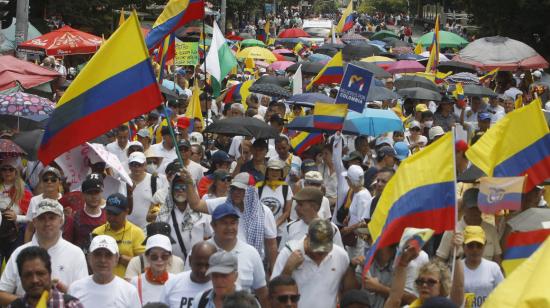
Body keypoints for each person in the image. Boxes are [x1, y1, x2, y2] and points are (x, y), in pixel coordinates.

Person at [0, 199, 88, 305]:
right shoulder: (19, 253)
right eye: (42, 218)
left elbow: (84, 296)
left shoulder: (76, 254)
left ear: (61, 221)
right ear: (35, 222)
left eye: (52, 218)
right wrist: (29, 304)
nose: (47, 223)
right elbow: (2, 293)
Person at [187, 171, 277, 273]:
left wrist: (274, 271)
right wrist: (189, 183)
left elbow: (271, 245)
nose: (236, 193)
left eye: (241, 190)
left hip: (252, 265)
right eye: (234, 189)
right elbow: (196, 205)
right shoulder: (223, 204)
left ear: (251, 191)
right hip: (223, 265)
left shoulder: (264, 212)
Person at [272, 219, 354, 308]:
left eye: (324, 251)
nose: (320, 254)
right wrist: (288, 268)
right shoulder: (288, 253)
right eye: (317, 250)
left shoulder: (341, 255)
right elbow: (273, 292)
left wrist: (352, 267)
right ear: (307, 237)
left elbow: (347, 290)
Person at [384, 239, 464, 308]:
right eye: (420, 281)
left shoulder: (448, 305)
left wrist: (456, 256)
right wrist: (402, 264)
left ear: (442, 285)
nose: (424, 285)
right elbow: (394, 301)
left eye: (431, 282)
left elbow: (459, 289)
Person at [67, 235, 141, 307]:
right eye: (97, 254)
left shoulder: (129, 292)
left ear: (116, 259)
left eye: (108, 255)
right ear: (89, 257)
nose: (103, 260)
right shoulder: (75, 289)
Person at [155, 173, 213, 260]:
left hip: (196, 264)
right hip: (171, 264)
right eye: (177, 188)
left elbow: (210, 235)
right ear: (171, 190)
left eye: (184, 188)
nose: (180, 191)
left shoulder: (201, 214)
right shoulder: (163, 214)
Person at [436, 188, 502, 264]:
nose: (474, 211)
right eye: (471, 208)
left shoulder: (491, 230)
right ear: (464, 207)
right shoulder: (452, 230)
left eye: (477, 207)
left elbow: (497, 259)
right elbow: (440, 260)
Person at [8, 246, 83, 308]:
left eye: (40, 273)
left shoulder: (72, 305)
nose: (35, 280)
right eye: (28, 275)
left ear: (50, 274)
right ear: (21, 278)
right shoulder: (13, 306)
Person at [92, 193, 145, 277]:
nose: (111, 217)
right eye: (109, 213)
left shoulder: (136, 233)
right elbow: (91, 262)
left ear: (126, 212)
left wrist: (119, 258)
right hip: (102, 283)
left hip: (128, 285)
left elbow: (144, 264)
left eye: (116, 214)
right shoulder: (97, 232)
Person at [160, 242, 217, 308]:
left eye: (208, 265)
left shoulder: (223, 286)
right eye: (198, 264)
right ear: (190, 261)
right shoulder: (172, 283)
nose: (203, 270)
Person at [461, 226, 503, 308]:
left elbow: (502, 295)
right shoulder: (456, 269)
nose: (475, 249)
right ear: (463, 246)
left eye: (479, 245)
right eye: (470, 245)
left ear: (485, 245)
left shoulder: (493, 268)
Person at [0, 158, 32, 265]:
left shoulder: (24, 189)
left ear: (16, 171)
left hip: (16, 234)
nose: (7, 172)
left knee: (14, 266)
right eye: (4, 169)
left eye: (11, 169)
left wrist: (16, 217)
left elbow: (31, 216)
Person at [126, 151, 169, 229]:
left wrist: (152, 215)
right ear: (129, 166)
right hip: (126, 229)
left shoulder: (155, 181)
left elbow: (158, 202)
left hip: (147, 229)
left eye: (140, 165)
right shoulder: (123, 181)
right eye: (133, 165)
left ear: (145, 165)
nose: (137, 168)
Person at [130, 234, 175, 305]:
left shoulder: (175, 281)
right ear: (147, 257)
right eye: (154, 256)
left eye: (164, 256)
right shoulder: (135, 282)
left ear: (170, 257)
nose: (159, 260)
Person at [66, 174, 106, 251]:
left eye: (97, 192)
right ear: (83, 195)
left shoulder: (108, 218)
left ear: (101, 193)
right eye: (90, 193)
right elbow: (68, 244)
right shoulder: (75, 218)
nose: (94, 196)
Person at [24, 167, 63, 242]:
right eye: (46, 179)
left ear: (60, 182)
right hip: (38, 245)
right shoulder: (34, 200)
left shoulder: (65, 201)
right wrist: (27, 248)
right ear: (41, 182)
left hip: (59, 245)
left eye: (53, 179)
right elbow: (29, 229)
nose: (49, 182)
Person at [257, 159, 293, 239]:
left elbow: (287, 212)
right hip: (260, 231)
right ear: (267, 173)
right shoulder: (258, 187)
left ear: (281, 174)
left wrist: (274, 225)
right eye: (271, 170)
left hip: (280, 232)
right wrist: (265, 227)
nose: (274, 172)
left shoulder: (286, 188)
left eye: (277, 170)